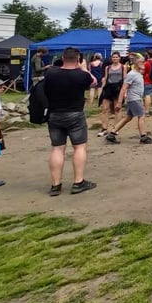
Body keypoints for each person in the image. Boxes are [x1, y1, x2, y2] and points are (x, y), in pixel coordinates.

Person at [43, 47, 97, 196]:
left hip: (54, 114)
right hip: (75, 114)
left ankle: (55, 185)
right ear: (78, 58)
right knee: (79, 148)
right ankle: (78, 182)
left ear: (62, 57)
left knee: (57, 149)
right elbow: (94, 82)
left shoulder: (51, 73)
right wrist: (84, 68)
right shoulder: (81, 75)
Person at [107, 55, 152, 145]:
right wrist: (119, 102)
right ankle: (143, 137)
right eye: (141, 62)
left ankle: (112, 134)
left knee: (128, 117)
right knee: (142, 115)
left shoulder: (138, 73)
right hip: (134, 99)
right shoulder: (132, 74)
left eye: (143, 61)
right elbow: (123, 88)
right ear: (136, 63)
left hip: (135, 98)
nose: (143, 63)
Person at [97, 52, 126, 137]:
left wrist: (125, 92)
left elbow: (125, 78)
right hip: (108, 88)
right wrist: (102, 90)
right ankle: (104, 128)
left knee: (117, 109)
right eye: (113, 57)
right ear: (111, 58)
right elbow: (105, 78)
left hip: (118, 89)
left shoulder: (123, 67)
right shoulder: (108, 67)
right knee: (105, 109)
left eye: (116, 57)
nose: (115, 59)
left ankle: (116, 128)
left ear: (119, 58)